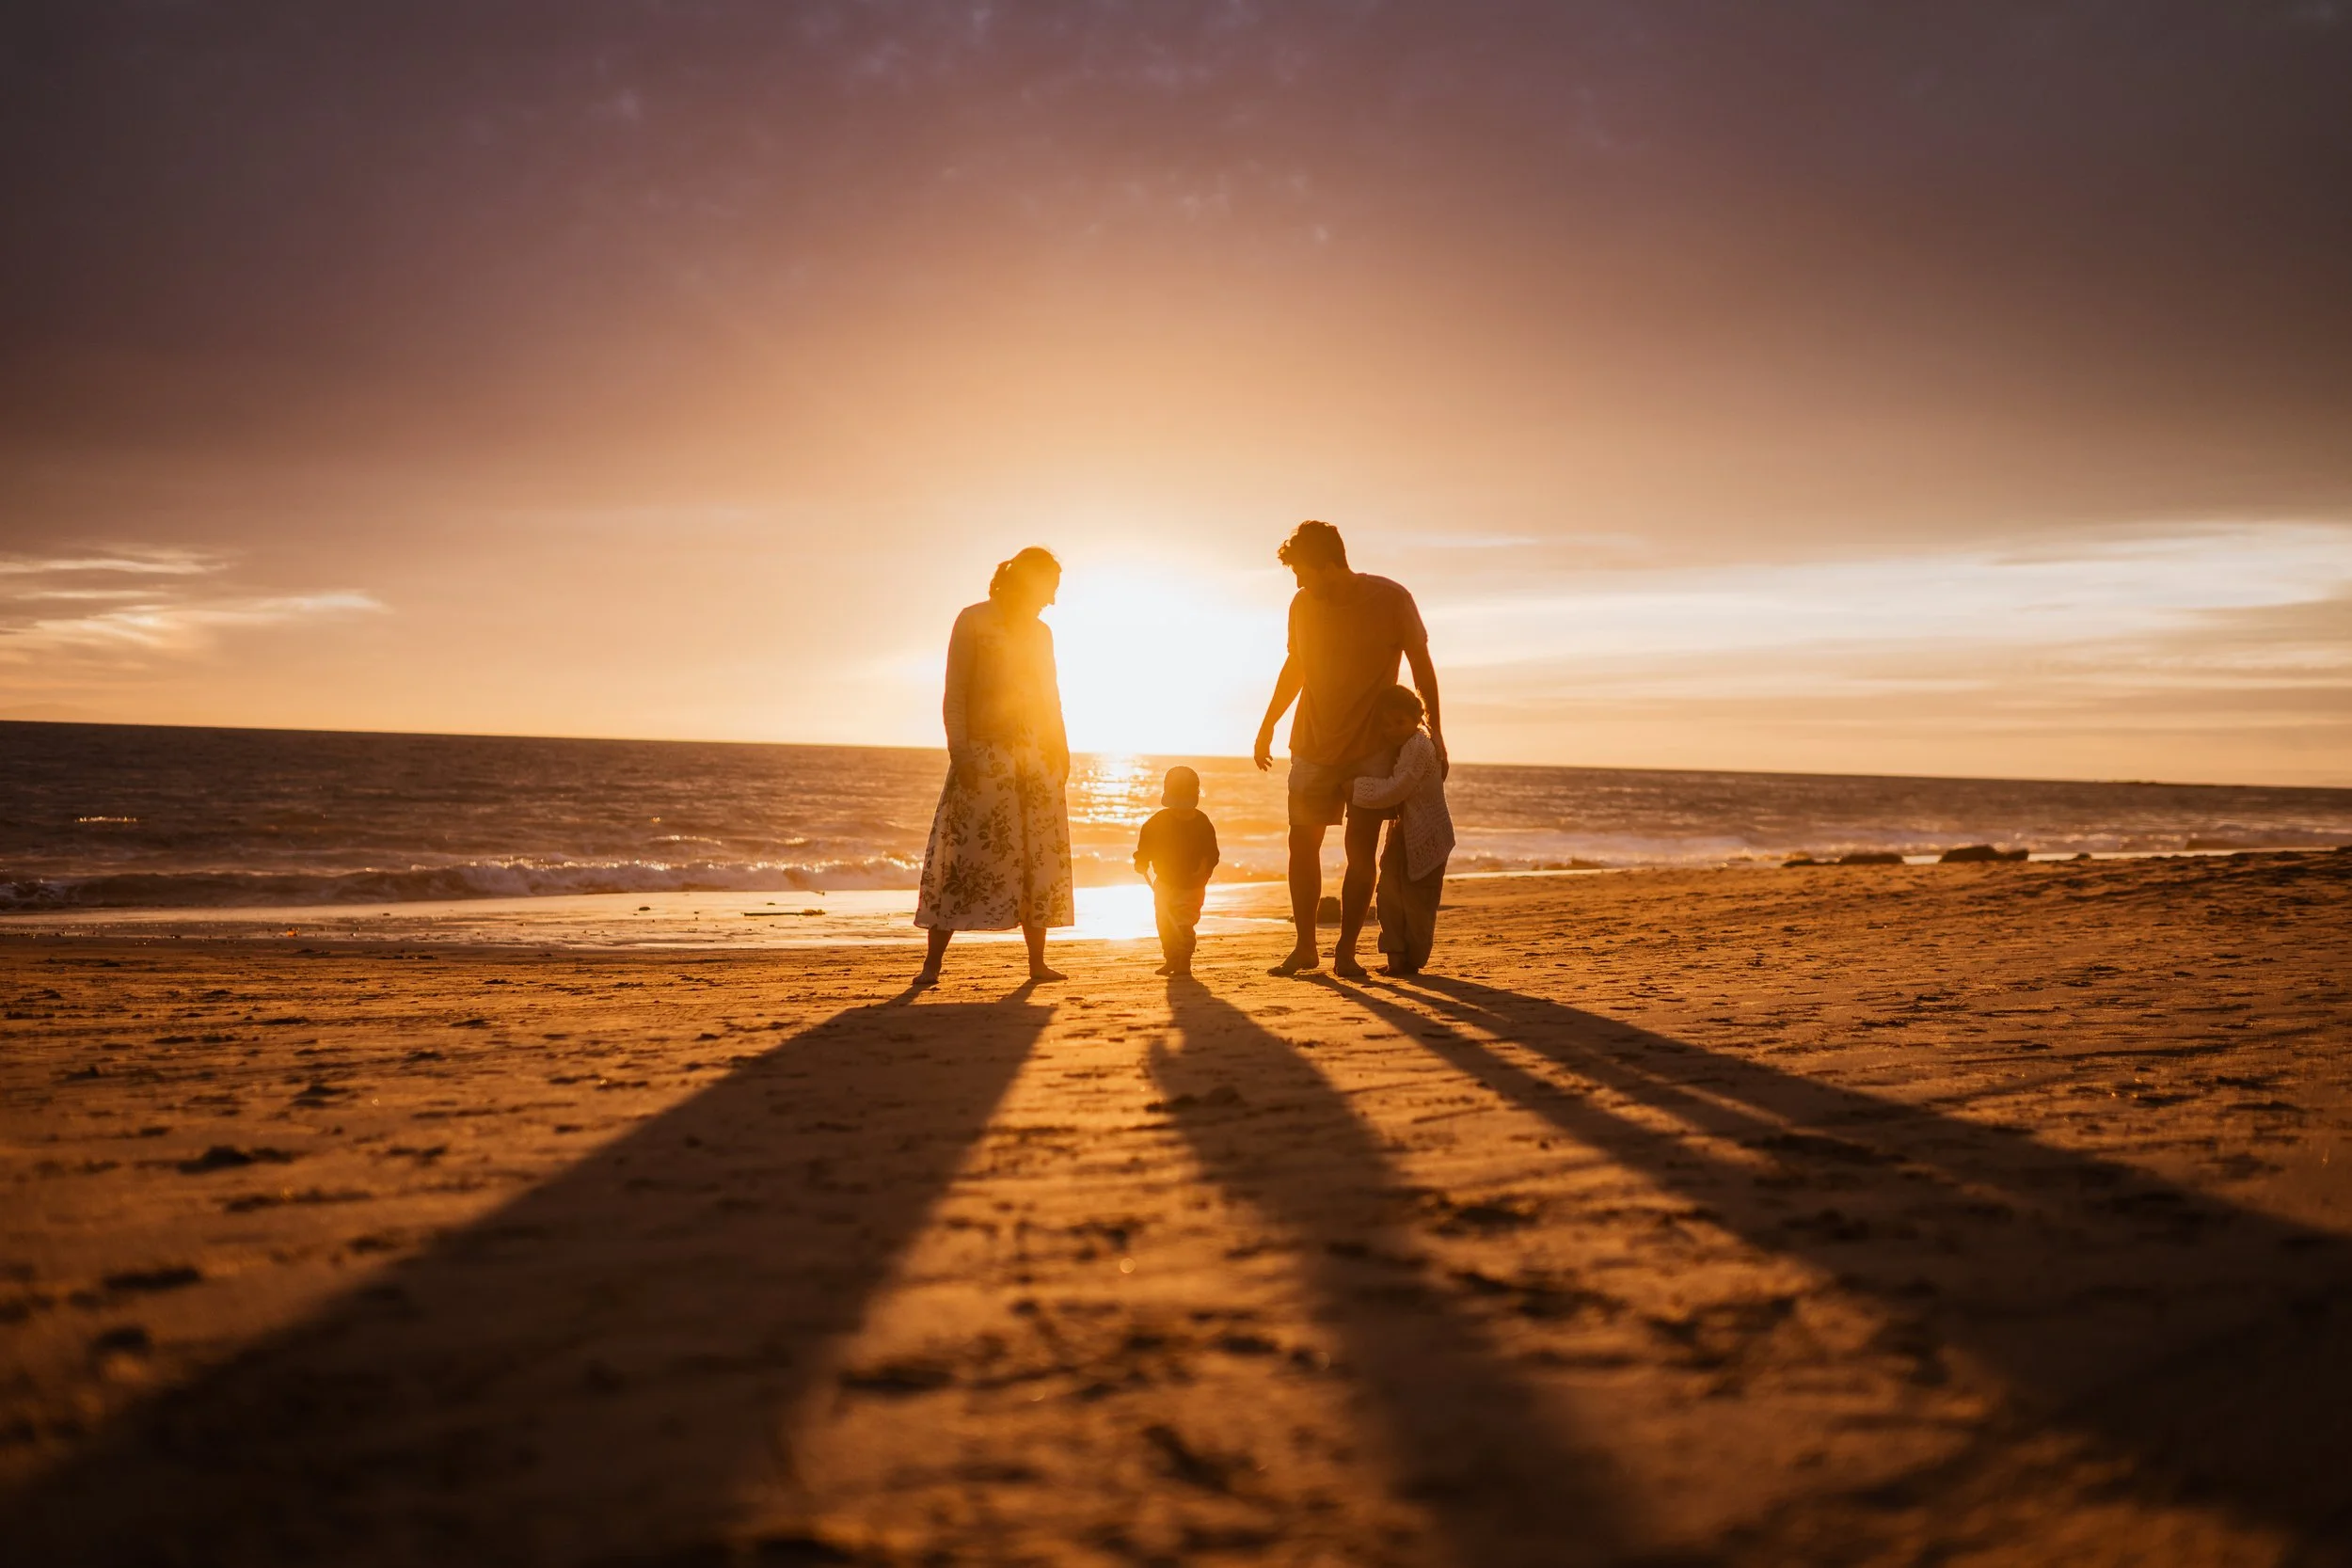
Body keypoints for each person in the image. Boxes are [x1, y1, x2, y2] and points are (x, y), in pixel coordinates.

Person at [1251, 520, 1444, 980]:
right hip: (1312, 746)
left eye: (1302, 571)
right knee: (1303, 844)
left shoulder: (1392, 599)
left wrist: (1436, 731)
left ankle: (1346, 950)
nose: (1298, 582)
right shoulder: (1302, 605)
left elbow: (1421, 664)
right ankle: (1304, 947)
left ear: (1328, 562)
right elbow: (1294, 666)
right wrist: (1267, 724)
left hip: (1370, 751)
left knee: (1361, 852)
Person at [913, 546, 1075, 987]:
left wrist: (1061, 750)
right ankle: (932, 965)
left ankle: (1037, 964)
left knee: (1033, 861)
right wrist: (961, 753)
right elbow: (956, 693)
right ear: (1028, 582)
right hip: (983, 757)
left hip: (1036, 761)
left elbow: (1050, 696)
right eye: (1050, 590)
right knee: (961, 857)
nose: (1053, 601)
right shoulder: (974, 621)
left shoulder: (1042, 633)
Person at [1349, 685, 1455, 976]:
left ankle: (1412, 960)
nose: (1392, 729)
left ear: (1417, 718)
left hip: (1428, 836)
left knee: (1418, 901)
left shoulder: (1421, 746)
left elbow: (1397, 788)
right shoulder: (1405, 746)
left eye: (1399, 722)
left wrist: (1355, 788)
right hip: (1402, 834)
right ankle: (1396, 958)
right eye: (1386, 724)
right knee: (1388, 894)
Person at [1133, 765, 1220, 979]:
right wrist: (1141, 861)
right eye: (1177, 806)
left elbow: (1212, 852)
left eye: (1185, 806)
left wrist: (1204, 867)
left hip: (1193, 884)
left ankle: (1184, 961)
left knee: (1184, 923)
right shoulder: (1157, 822)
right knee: (1164, 922)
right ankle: (1171, 958)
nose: (1181, 811)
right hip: (1164, 882)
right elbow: (1146, 844)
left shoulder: (1202, 823)